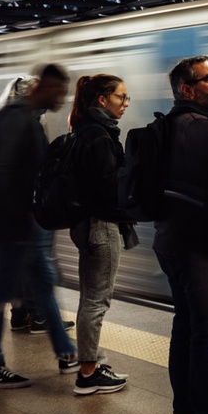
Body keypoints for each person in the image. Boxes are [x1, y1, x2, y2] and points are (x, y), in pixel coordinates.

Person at [153, 55, 208, 414]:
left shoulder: (173, 124)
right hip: (198, 248)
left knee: (186, 329)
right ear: (187, 90)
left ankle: (185, 412)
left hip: (171, 241)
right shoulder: (197, 128)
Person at [0, 65, 75, 387]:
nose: (62, 97)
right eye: (58, 91)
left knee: (42, 284)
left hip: (25, 223)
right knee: (1, 294)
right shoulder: (15, 119)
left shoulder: (26, 118)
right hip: (15, 226)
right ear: (43, 86)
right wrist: (19, 213)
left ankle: (66, 351)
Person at [66, 74, 132, 396]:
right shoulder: (100, 137)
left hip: (86, 224)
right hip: (101, 226)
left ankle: (89, 363)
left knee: (89, 297)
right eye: (121, 97)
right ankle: (88, 373)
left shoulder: (82, 130)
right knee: (96, 300)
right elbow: (108, 190)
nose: (126, 103)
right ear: (103, 100)